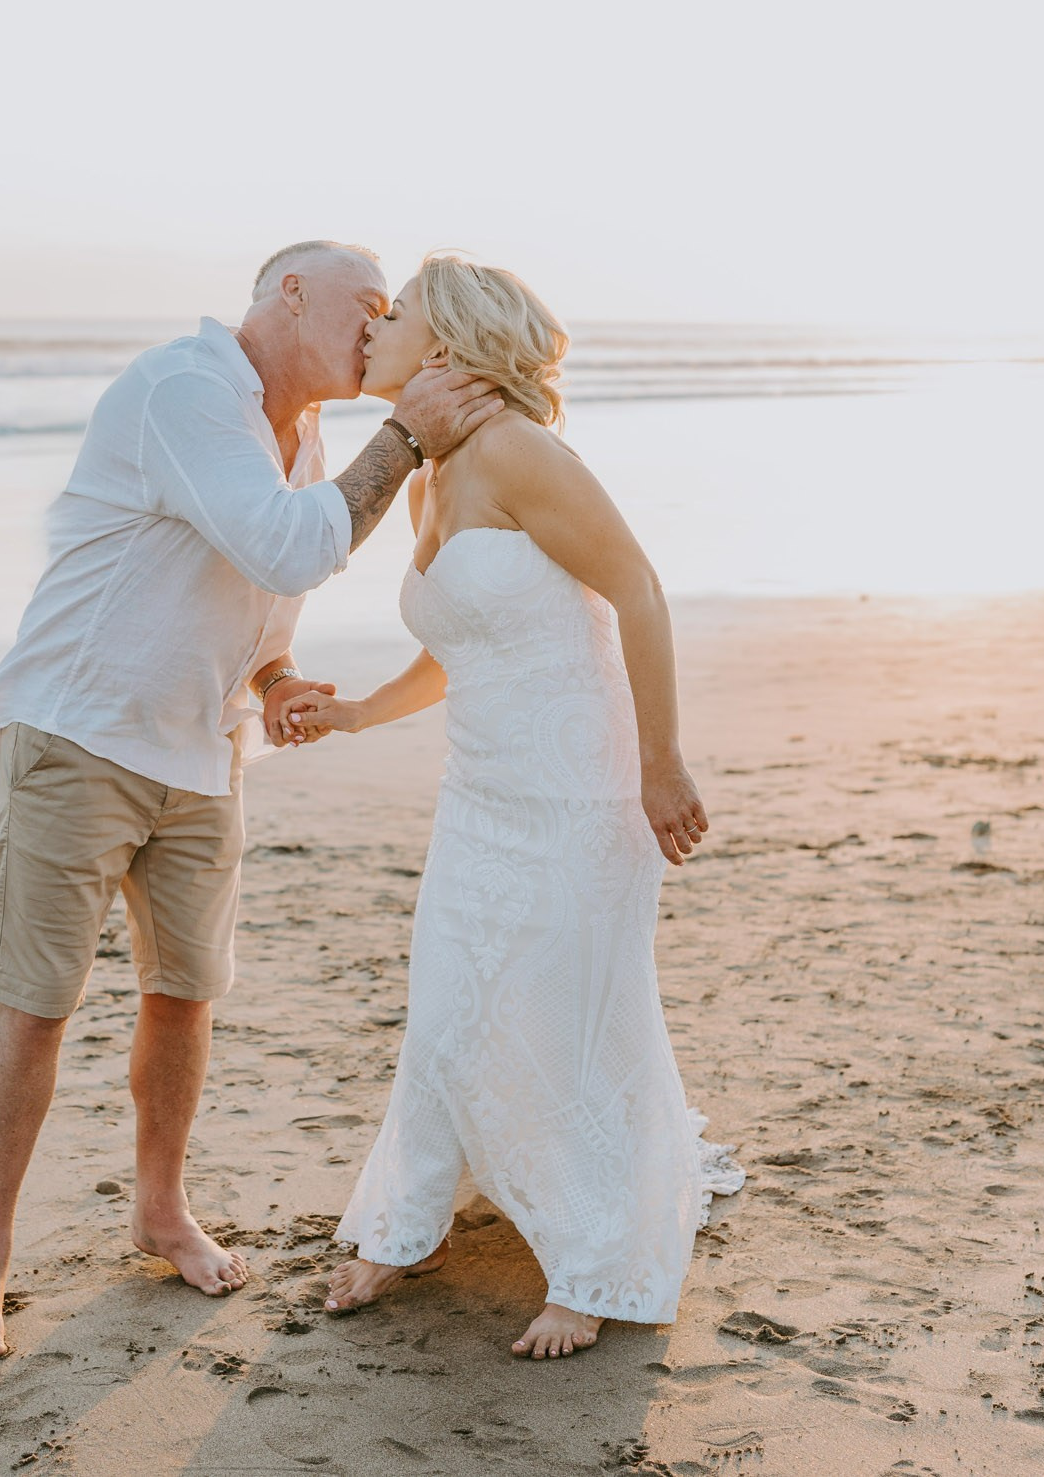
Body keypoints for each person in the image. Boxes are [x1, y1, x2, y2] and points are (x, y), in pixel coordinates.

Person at [0, 241, 502, 1359]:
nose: (378, 327)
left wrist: (278, 677)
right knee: (36, 1000)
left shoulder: (306, 432)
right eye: (366, 305)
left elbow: (259, 594)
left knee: (183, 995)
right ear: (289, 293)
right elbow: (288, 548)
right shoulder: (186, 389)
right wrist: (411, 433)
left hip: (202, 750)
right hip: (80, 732)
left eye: (391, 314)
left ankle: (159, 1209)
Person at [283, 253, 744, 1359]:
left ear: (443, 345)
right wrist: (353, 716)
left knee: (572, 1012)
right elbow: (461, 647)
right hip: (481, 793)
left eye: (393, 317)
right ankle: (410, 1224)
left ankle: (592, 1259)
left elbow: (635, 586)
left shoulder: (520, 452)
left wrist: (662, 762)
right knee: (448, 1001)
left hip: (581, 787)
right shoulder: (434, 471)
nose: (374, 330)